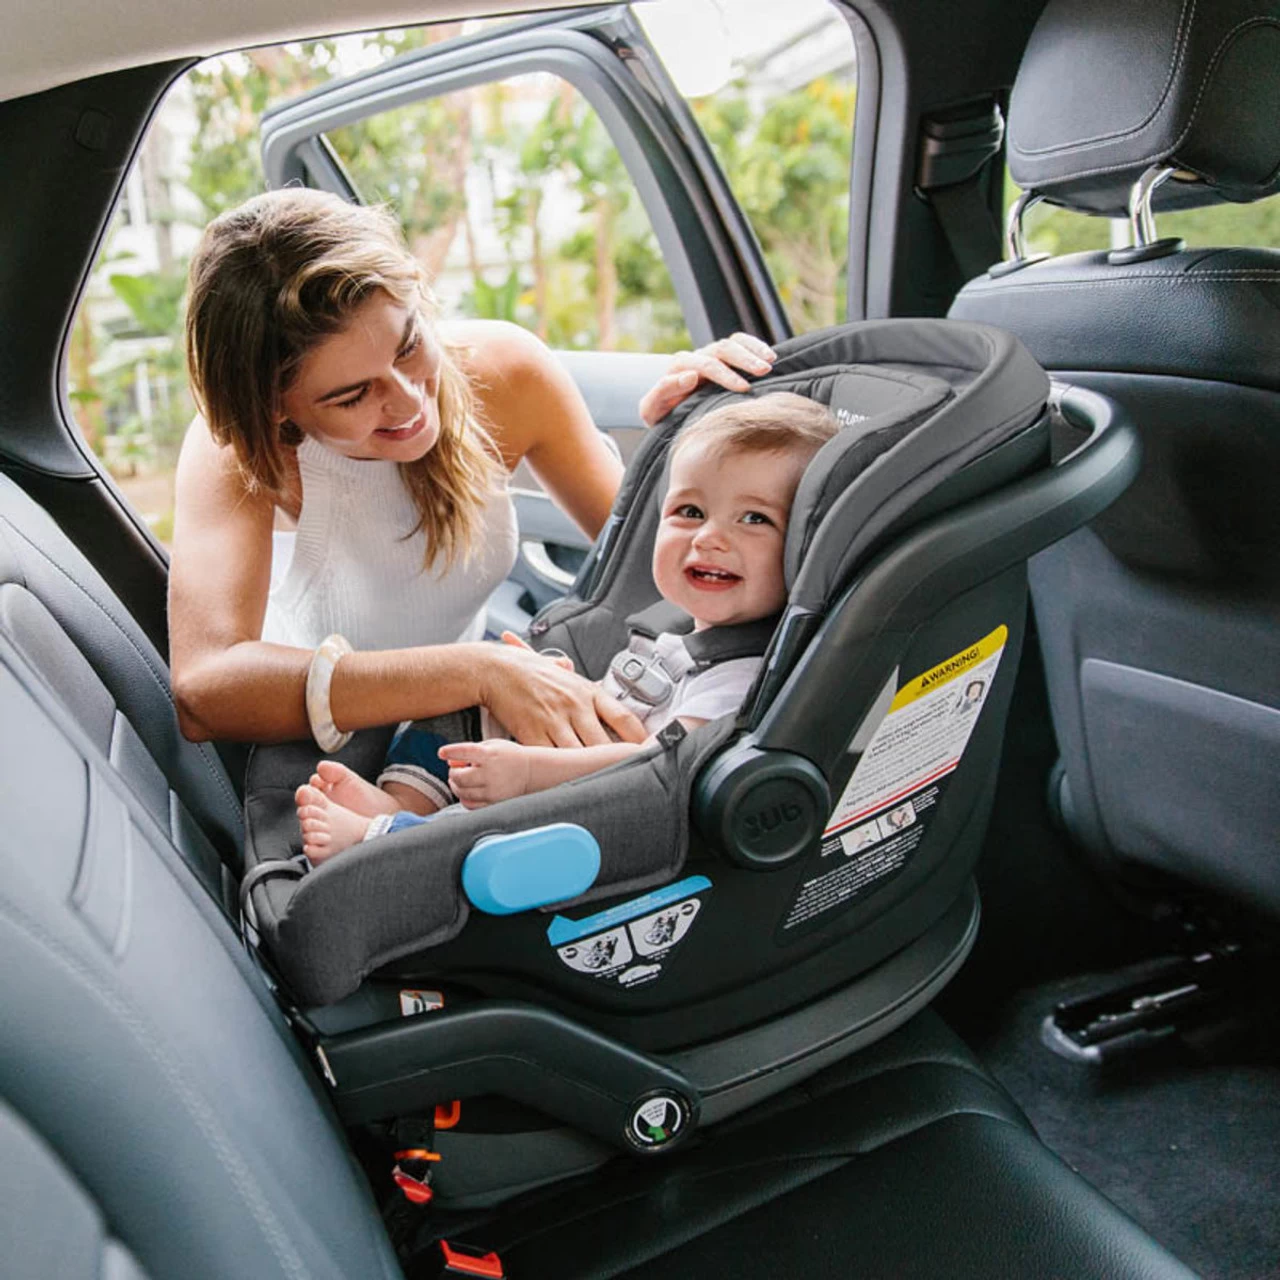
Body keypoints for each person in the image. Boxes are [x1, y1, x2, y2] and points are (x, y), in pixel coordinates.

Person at [169, 187, 777, 755]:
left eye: (409, 345)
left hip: (456, 732)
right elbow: (204, 689)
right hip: (313, 755)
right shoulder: (238, 454)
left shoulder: (507, 372)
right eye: (353, 395)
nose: (409, 402)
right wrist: (477, 672)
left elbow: (661, 570)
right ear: (274, 408)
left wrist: (688, 439)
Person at [294, 392, 840, 863]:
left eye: (755, 519)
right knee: (461, 695)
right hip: (573, 759)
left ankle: (383, 841)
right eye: (690, 512)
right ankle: (404, 800)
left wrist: (531, 772)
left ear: (806, 549)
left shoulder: (740, 677)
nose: (708, 538)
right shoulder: (674, 631)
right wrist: (556, 682)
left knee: (507, 824)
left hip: (602, 808)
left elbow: (659, 766)